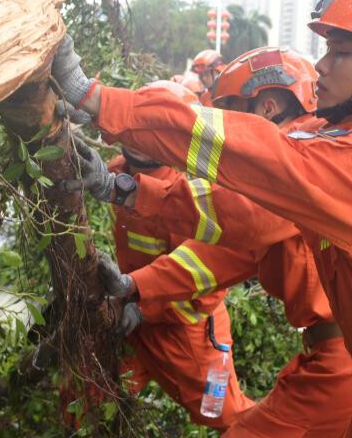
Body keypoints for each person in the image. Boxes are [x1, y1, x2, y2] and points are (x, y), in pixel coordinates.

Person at [51, 0, 352, 436]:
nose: (322, 65)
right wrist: (130, 193)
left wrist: (100, 101)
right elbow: (240, 213)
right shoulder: (347, 147)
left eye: (341, 53)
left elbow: (266, 162)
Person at [77, 47, 352, 437]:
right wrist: (134, 287)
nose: (229, 135)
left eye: (233, 116)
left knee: (229, 420)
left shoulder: (302, 163)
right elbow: (219, 254)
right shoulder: (296, 166)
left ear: (269, 107)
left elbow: (229, 223)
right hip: (337, 356)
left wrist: (122, 189)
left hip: (196, 333)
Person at [94, 79, 258, 431]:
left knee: (228, 418)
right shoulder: (118, 170)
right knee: (89, 398)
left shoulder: (193, 195)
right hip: (133, 319)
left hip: (189, 333)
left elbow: (205, 285)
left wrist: (142, 306)